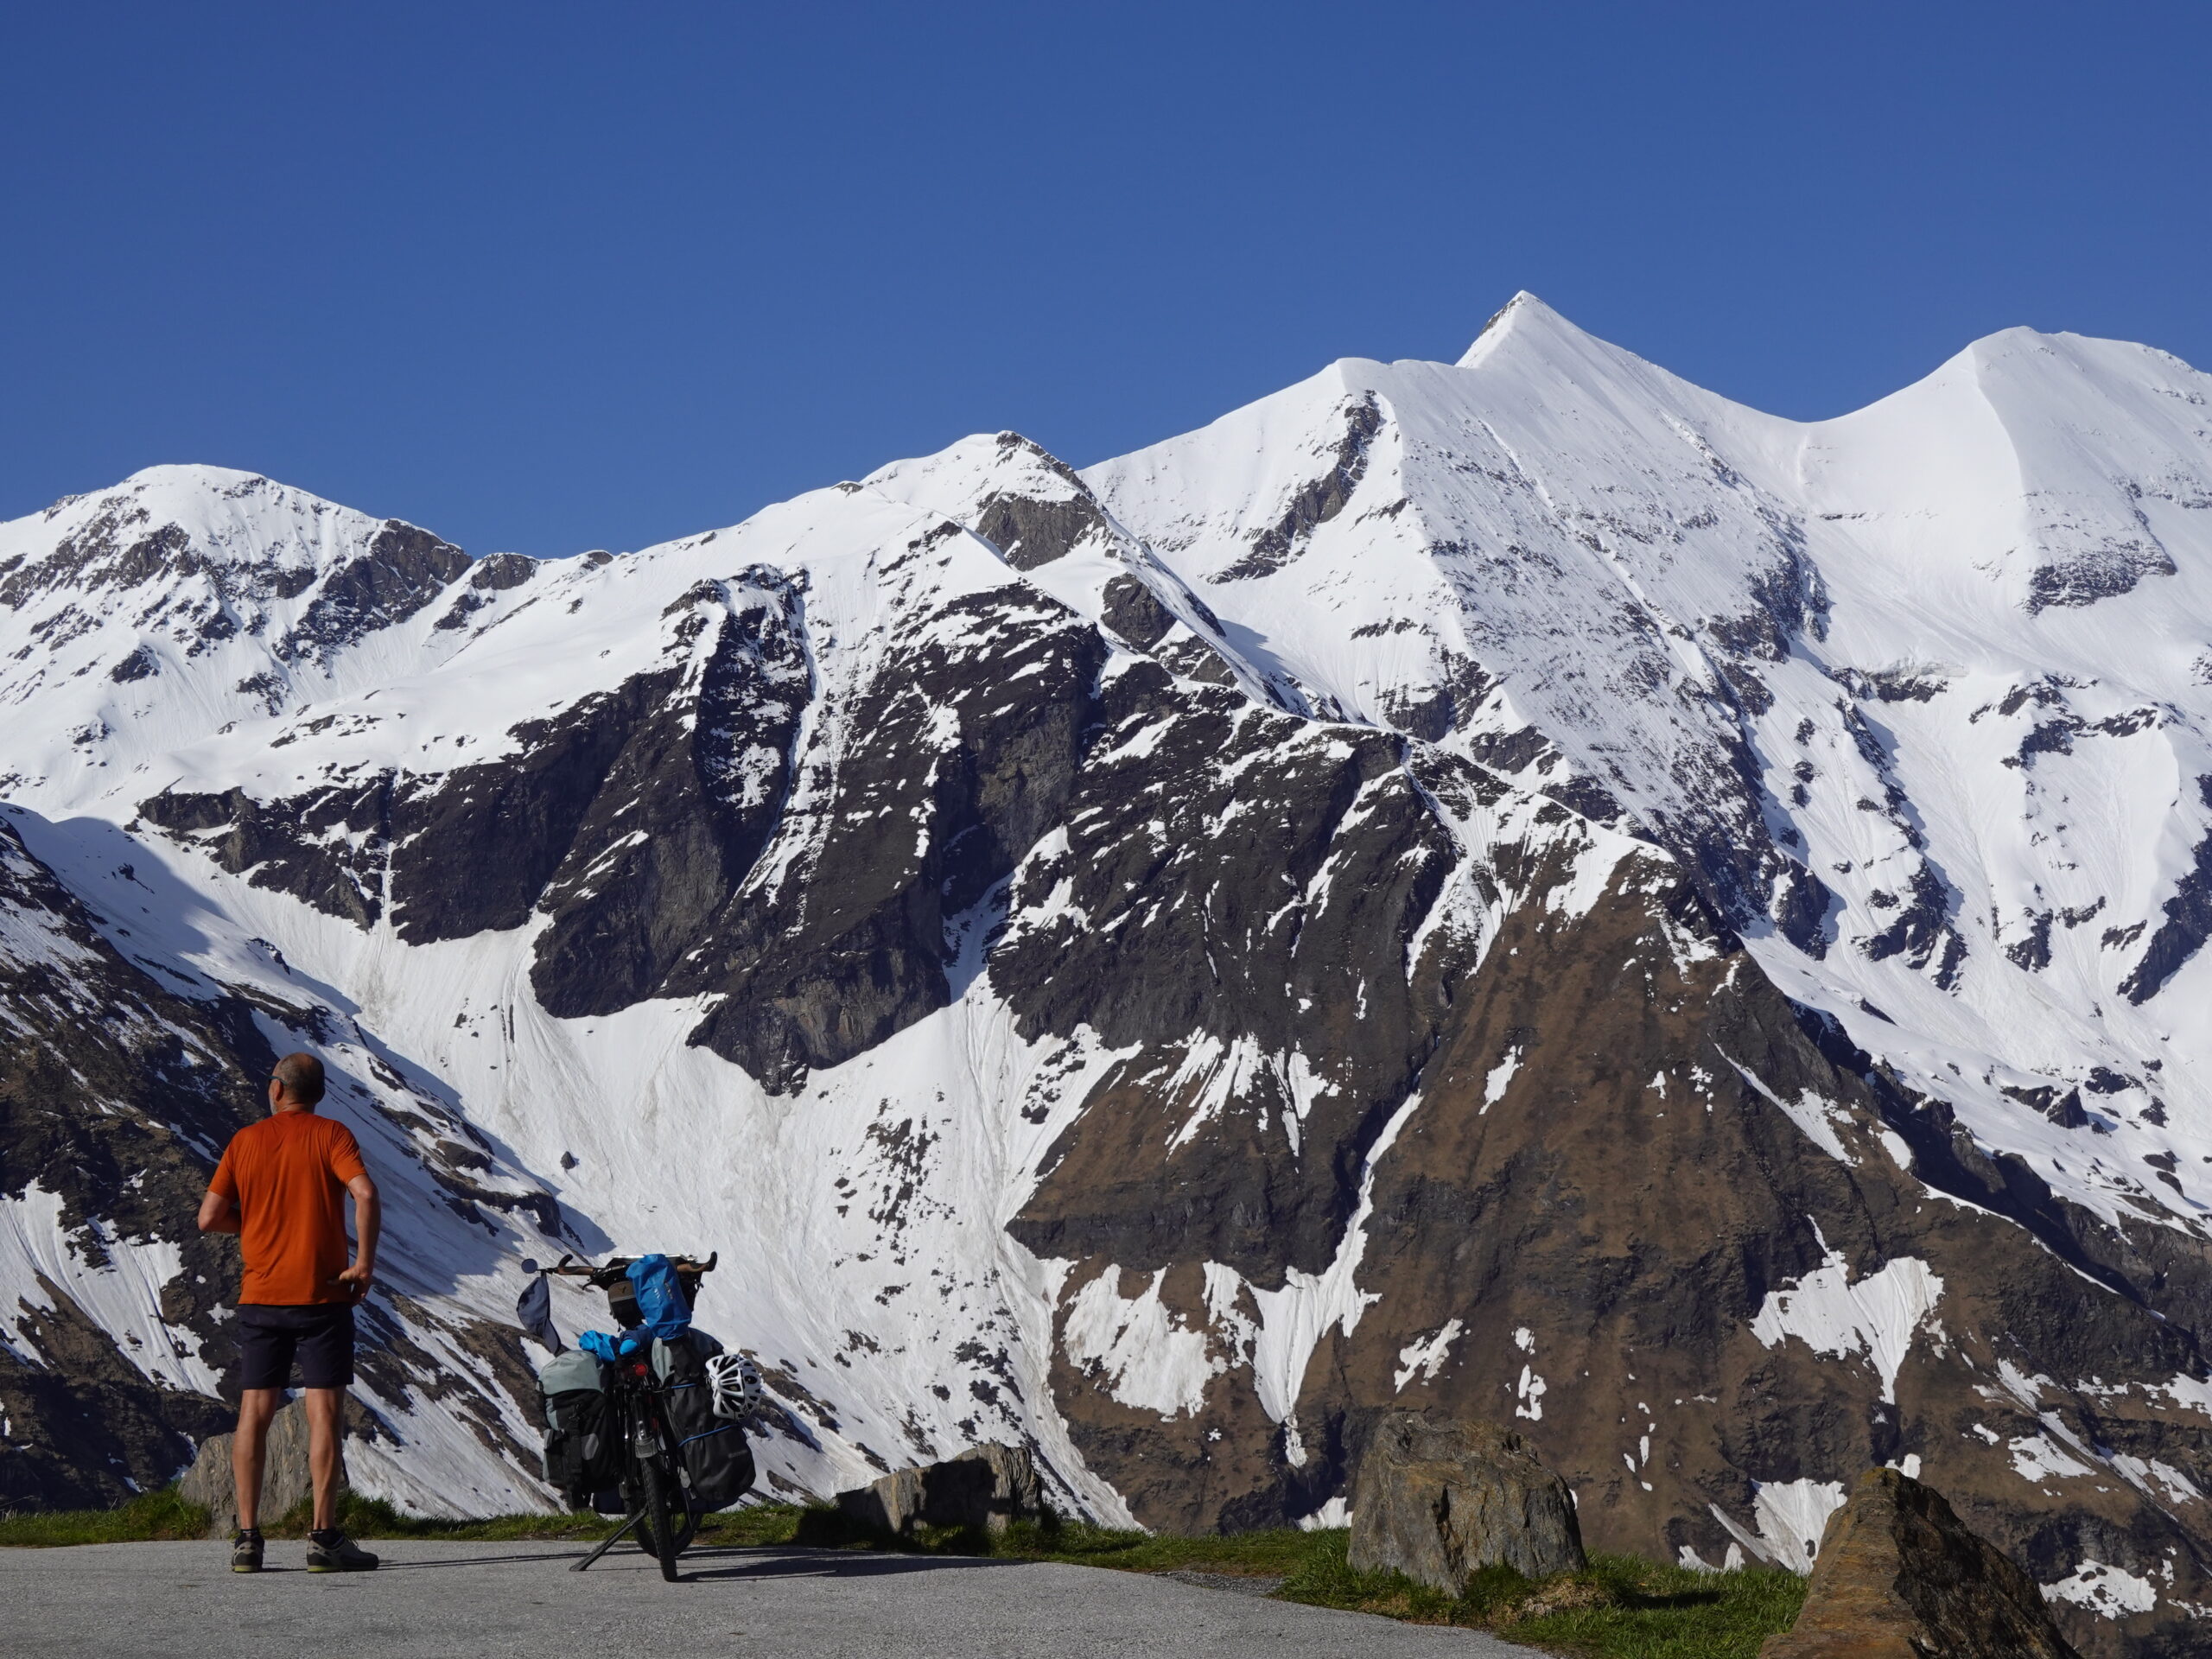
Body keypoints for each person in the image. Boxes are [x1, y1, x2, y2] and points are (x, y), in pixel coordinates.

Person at [197, 1052, 382, 1573]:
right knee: (323, 1414)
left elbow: (209, 1217)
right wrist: (363, 1264)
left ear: (276, 1089)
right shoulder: (332, 1136)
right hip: (322, 1297)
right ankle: (323, 1539)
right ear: (316, 1094)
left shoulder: (245, 1141)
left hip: (261, 1297)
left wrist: (254, 1226)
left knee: (253, 1413)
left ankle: (248, 1539)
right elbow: (365, 1193)